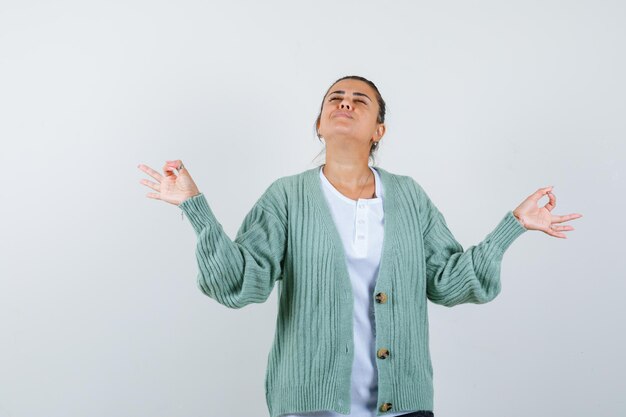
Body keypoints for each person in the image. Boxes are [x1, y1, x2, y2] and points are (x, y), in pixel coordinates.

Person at [137, 75, 582, 417]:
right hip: (309, 404)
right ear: (318, 124)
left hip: (404, 404)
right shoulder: (286, 197)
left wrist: (514, 225)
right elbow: (240, 283)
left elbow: (448, 282)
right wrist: (194, 206)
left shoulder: (409, 196)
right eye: (335, 98)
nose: (345, 103)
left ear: (379, 131)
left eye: (359, 100)